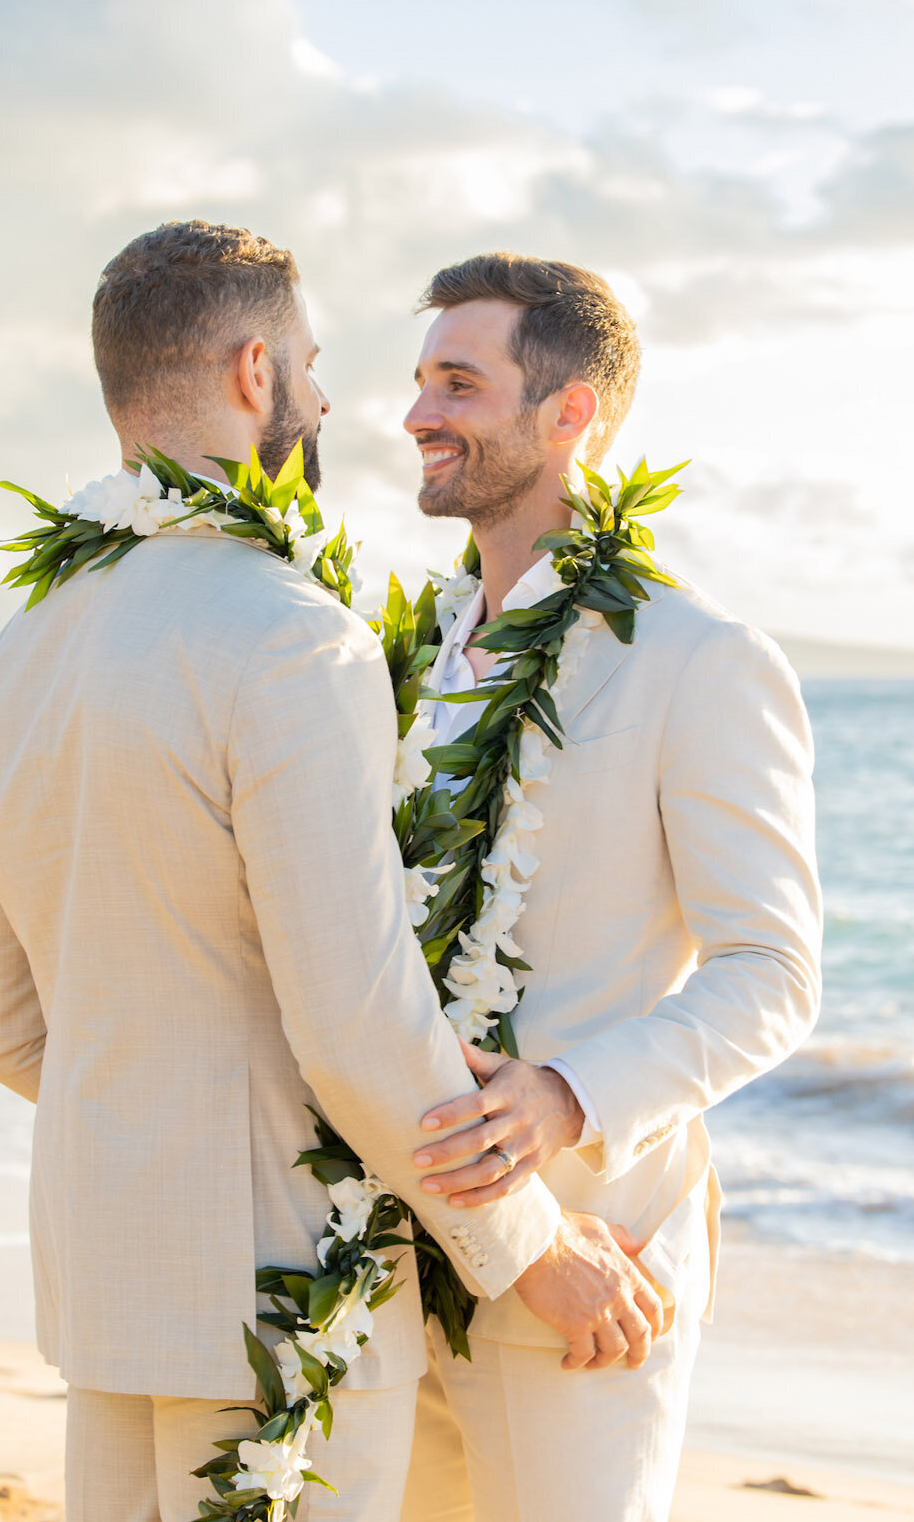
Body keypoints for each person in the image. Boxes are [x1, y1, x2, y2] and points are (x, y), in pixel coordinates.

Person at [0, 221, 644, 1522]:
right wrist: (529, 1248)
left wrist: (164, 1124)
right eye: (314, 367)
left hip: (106, 1287)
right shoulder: (288, 641)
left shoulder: (5, 664)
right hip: (283, 1307)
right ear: (255, 371)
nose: (327, 403)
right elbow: (353, 1021)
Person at [398, 252, 823, 1522]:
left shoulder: (698, 658)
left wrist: (570, 1097)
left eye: (458, 383)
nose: (418, 414)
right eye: (419, 381)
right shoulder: (401, 653)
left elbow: (772, 972)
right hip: (384, 1261)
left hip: (592, 1269)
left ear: (569, 411)